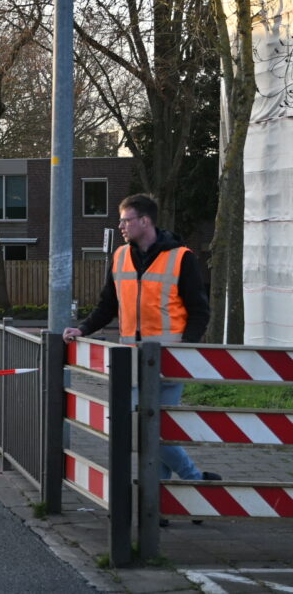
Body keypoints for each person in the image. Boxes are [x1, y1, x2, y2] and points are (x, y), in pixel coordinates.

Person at [62, 194, 220, 522]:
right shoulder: (120, 257)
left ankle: (161, 501)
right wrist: (84, 329)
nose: (120, 226)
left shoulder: (182, 258)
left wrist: (185, 349)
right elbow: (109, 304)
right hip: (133, 360)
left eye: (126, 220)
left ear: (145, 221)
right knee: (144, 429)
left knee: (155, 431)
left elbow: (200, 311)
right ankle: (192, 484)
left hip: (169, 360)